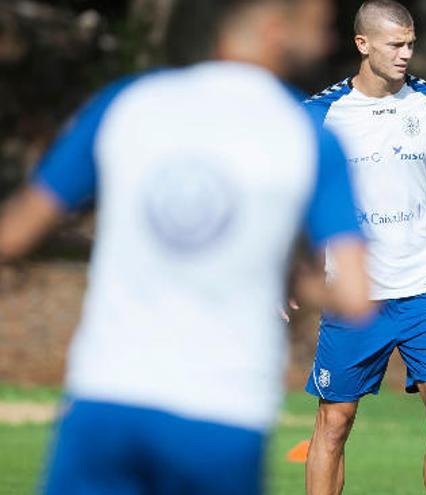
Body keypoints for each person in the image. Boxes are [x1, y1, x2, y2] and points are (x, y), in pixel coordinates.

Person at [0, 1, 370, 493]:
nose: (328, 44)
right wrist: (282, 275)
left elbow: (14, 234)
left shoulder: (126, 103)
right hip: (221, 411)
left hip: (107, 395)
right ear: (275, 30)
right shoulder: (306, 136)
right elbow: (356, 296)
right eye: (320, 28)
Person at [301, 1, 426, 494]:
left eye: (411, 43)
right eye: (396, 44)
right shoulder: (320, 115)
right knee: (335, 422)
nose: (407, 53)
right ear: (362, 44)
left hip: (424, 292)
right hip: (353, 297)